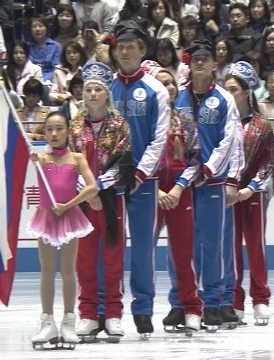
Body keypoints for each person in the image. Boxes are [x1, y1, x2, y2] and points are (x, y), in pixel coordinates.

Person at [172, 39, 242, 330]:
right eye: (195, 58)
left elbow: (230, 140)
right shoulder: (179, 98)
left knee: (211, 244)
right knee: (181, 245)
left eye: (206, 58)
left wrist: (210, 169)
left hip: (211, 181)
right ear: (188, 63)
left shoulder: (224, 99)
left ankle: (212, 302)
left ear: (215, 64)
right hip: (183, 181)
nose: (200, 62)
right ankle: (181, 301)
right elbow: (174, 136)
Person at [110, 20, 169, 337]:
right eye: (121, 46)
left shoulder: (156, 90)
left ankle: (143, 309)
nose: (126, 51)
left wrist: (140, 172)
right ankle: (111, 309)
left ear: (142, 50)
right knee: (111, 245)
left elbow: (160, 139)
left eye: (132, 46)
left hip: (145, 182)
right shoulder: (107, 88)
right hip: (112, 182)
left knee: (144, 248)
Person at [72, 62, 133, 342]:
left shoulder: (119, 125)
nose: (93, 94)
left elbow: (123, 163)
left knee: (112, 258)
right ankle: (87, 314)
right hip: (82, 202)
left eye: (98, 89)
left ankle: (112, 314)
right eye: (89, 89)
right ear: (82, 94)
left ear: (107, 94)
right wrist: (87, 191)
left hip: (111, 201)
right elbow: (68, 165)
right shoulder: (74, 127)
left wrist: (99, 187)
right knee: (84, 260)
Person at [27, 112, 98, 348]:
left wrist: (69, 205)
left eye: (59, 128)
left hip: (68, 217)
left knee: (68, 270)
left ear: (68, 131)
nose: (54, 134)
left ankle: (69, 320)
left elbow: (92, 187)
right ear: (44, 132)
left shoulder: (77, 158)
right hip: (46, 218)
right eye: (49, 129)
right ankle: (47, 322)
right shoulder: (40, 158)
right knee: (47, 270)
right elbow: (30, 157)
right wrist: (33, 158)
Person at [145, 64, 203, 333]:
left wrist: (179, 187)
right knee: (144, 255)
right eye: (161, 83)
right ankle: (141, 311)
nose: (168, 88)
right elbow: (133, 158)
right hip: (149, 190)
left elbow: (195, 159)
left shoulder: (184, 118)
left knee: (183, 253)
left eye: (171, 83)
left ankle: (191, 307)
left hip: (180, 193)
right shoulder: (143, 118)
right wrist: (153, 189)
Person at [223, 61, 274, 326]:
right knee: (230, 248)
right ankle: (235, 300)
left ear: (246, 91)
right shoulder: (221, 122)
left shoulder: (262, 126)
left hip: (252, 194)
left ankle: (260, 299)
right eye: (226, 89)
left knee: (256, 245)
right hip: (227, 193)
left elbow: (269, 163)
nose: (228, 94)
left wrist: (251, 188)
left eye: (233, 89)